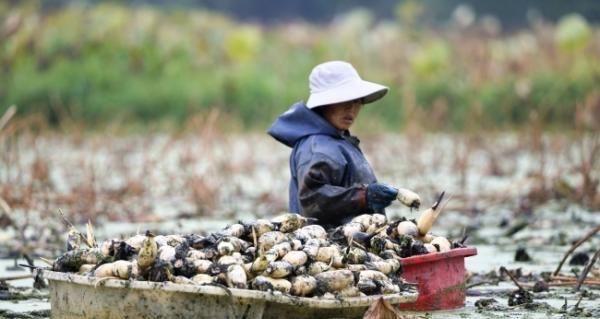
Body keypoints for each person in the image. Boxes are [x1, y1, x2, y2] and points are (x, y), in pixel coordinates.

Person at [268, 61, 420, 229]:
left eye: (356, 101)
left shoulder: (336, 140)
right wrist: (365, 196)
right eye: (343, 100)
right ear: (324, 103)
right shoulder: (318, 147)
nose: (351, 108)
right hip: (327, 246)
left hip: (355, 238)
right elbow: (312, 199)